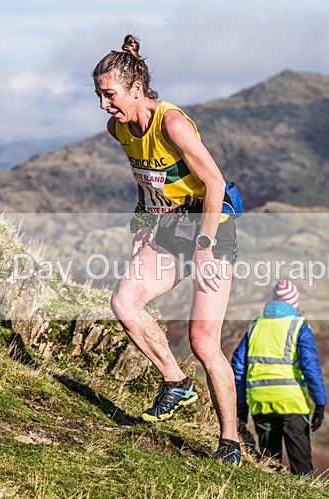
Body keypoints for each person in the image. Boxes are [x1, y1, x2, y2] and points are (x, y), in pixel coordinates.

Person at [93, 35, 242, 465]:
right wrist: (142, 222)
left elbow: (214, 184)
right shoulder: (118, 128)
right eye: (100, 95)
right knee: (124, 301)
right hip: (169, 227)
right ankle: (175, 383)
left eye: (111, 95)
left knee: (203, 342)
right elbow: (146, 178)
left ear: (136, 90)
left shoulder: (172, 124)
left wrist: (203, 247)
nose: (104, 105)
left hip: (213, 228)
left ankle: (230, 443)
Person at [230, 280, 327, 474]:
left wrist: (240, 403)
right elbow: (310, 367)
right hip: (292, 403)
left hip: (260, 402)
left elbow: (237, 367)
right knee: (301, 469)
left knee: (269, 466)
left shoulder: (255, 326)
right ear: (295, 303)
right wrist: (320, 403)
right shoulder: (298, 325)